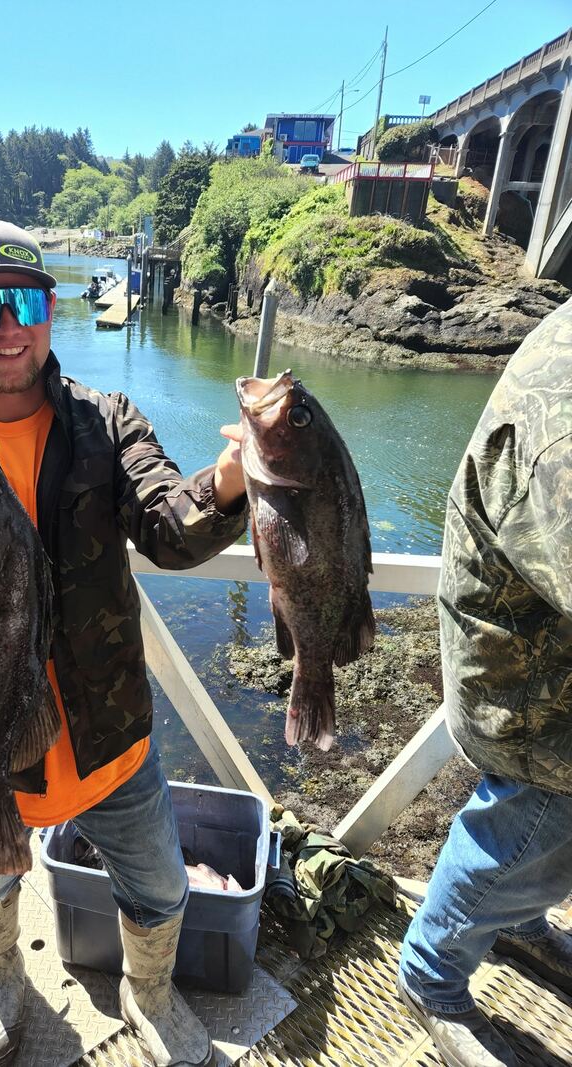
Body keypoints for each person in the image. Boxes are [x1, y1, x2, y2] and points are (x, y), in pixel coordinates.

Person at [0, 218, 247, 1067]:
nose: (10, 325)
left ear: (51, 309)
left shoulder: (105, 421)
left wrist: (230, 481)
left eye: (28, 301)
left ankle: (149, 991)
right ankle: (1, 974)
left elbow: (168, 529)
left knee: (156, 885)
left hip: (110, 736)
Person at [397, 295, 572, 1067]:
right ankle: (431, 972)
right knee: (530, 820)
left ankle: (515, 921)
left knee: (529, 834)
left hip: (529, 654)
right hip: (523, 685)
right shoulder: (562, 437)